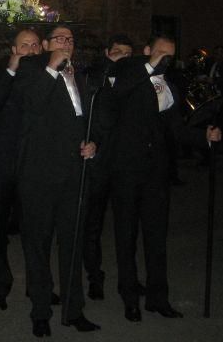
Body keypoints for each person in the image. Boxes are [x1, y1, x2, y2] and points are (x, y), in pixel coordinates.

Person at [94, 34, 220, 323]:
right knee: (126, 234)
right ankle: (129, 297)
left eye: (170, 56)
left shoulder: (168, 85)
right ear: (148, 50)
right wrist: (149, 67)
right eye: (160, 53)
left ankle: (157, 297)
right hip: (126, 167)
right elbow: (115, 96)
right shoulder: (127, 70)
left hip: (156, 170)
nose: (165, 59)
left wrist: (204, 137)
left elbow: (175, 128)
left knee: (156, 235)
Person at [14, 25, 100, 338]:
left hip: (74, 172)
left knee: (72, 244)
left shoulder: (83, 74)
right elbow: (31, 105)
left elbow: (91, 118)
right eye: (59, 39)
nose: (65, 44)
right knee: (38, 246)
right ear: (47, 44)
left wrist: (93, 143)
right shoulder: (30, 69)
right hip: (38, 174)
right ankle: (40, 312)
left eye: (70, 39)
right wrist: (52, 67)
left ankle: (73, 310)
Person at [0, 28, 42, 311]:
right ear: (13, 50)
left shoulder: (49, 75)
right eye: (23, 45)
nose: (29, 50)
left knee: (35, 230)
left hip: (32, 163)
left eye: (34, 45)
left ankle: (38, 286)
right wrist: (12, 70)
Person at [83, 33, 133, 300]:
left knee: (126, 226)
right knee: (92, 225)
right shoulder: (95, 76)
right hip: (100, 162)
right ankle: (95, 276)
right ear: (106, 53)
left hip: (126, 162)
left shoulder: (136, 80)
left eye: (127, 54)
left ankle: (130, 280)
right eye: (117, 52)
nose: (121, 58)